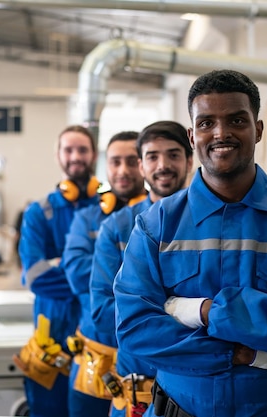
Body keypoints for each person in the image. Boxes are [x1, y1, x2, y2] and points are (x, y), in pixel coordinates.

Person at [113, 69, 267, 417]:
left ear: (258, 129)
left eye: (236, 119)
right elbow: (135, 329)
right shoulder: (156, 225)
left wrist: (203, 311)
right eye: (207, 123)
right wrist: (238, 353)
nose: (221, 132)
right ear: (193, 136)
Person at [90, 120, 194, 417]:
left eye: (173, 155)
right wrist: (185, 312)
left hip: (194, 394)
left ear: (189, 160)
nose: (163, 165)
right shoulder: (117, 228)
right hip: (136, 396)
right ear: (142, 165)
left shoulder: (210, 225)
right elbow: (101, 312)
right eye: (152, 156)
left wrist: (143, 313)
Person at [62, 131, 147, 417]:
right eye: (115, 162)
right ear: (105, 167)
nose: (123, 170)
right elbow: (75, 273)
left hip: (142, 367)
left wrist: (105, 266)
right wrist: (140, 274)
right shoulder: (86, 219)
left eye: (131, 161)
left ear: (144, 164)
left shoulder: (160, 217)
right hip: (94, 362)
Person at [18, 124, 100, 417]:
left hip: (98, 341)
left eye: (82, 150)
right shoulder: (38, 213)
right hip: (51, 343)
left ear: (93, 155)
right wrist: (94, 281)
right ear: (58, 156)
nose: (75, 156)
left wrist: (63, 266)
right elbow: (37, 276)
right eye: (69, 150)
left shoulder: (110, 211)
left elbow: (123, 274)